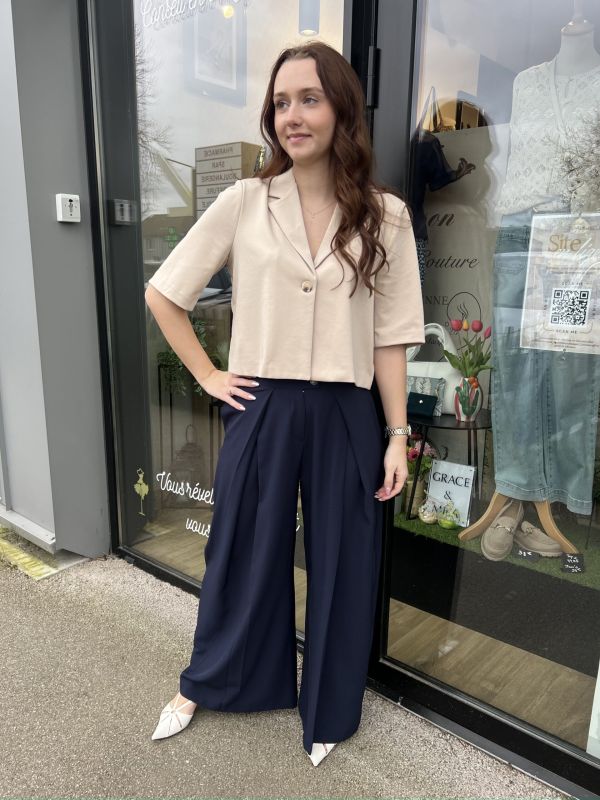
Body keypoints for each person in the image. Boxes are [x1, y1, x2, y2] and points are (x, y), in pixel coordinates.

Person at [145, 40, 424, 767]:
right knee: (240, 550)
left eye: (309, 99)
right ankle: (209, 681)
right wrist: (209, 375)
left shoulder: (386, 216)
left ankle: (329, 706)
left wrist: (397, 435)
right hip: (261, 402)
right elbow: (165, 293)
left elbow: (390, 338)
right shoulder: (245, 201)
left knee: (343, 560)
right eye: (279, 102)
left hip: (346, 412)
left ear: (341, 109)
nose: (291, 115)